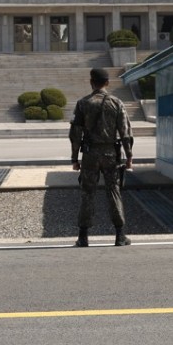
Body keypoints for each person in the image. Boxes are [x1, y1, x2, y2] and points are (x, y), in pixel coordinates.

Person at [69, 67, 134, 247]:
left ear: (91, 82)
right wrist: (129, 157)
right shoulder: (116, 102)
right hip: (111, 154)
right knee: (113, 190)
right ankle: (120, 235)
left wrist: (74, 159)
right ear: (107, 83)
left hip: (90, 154)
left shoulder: (83, 103)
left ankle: (83, 237)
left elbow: (75, 134)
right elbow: (125, 132)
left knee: (87, 192)